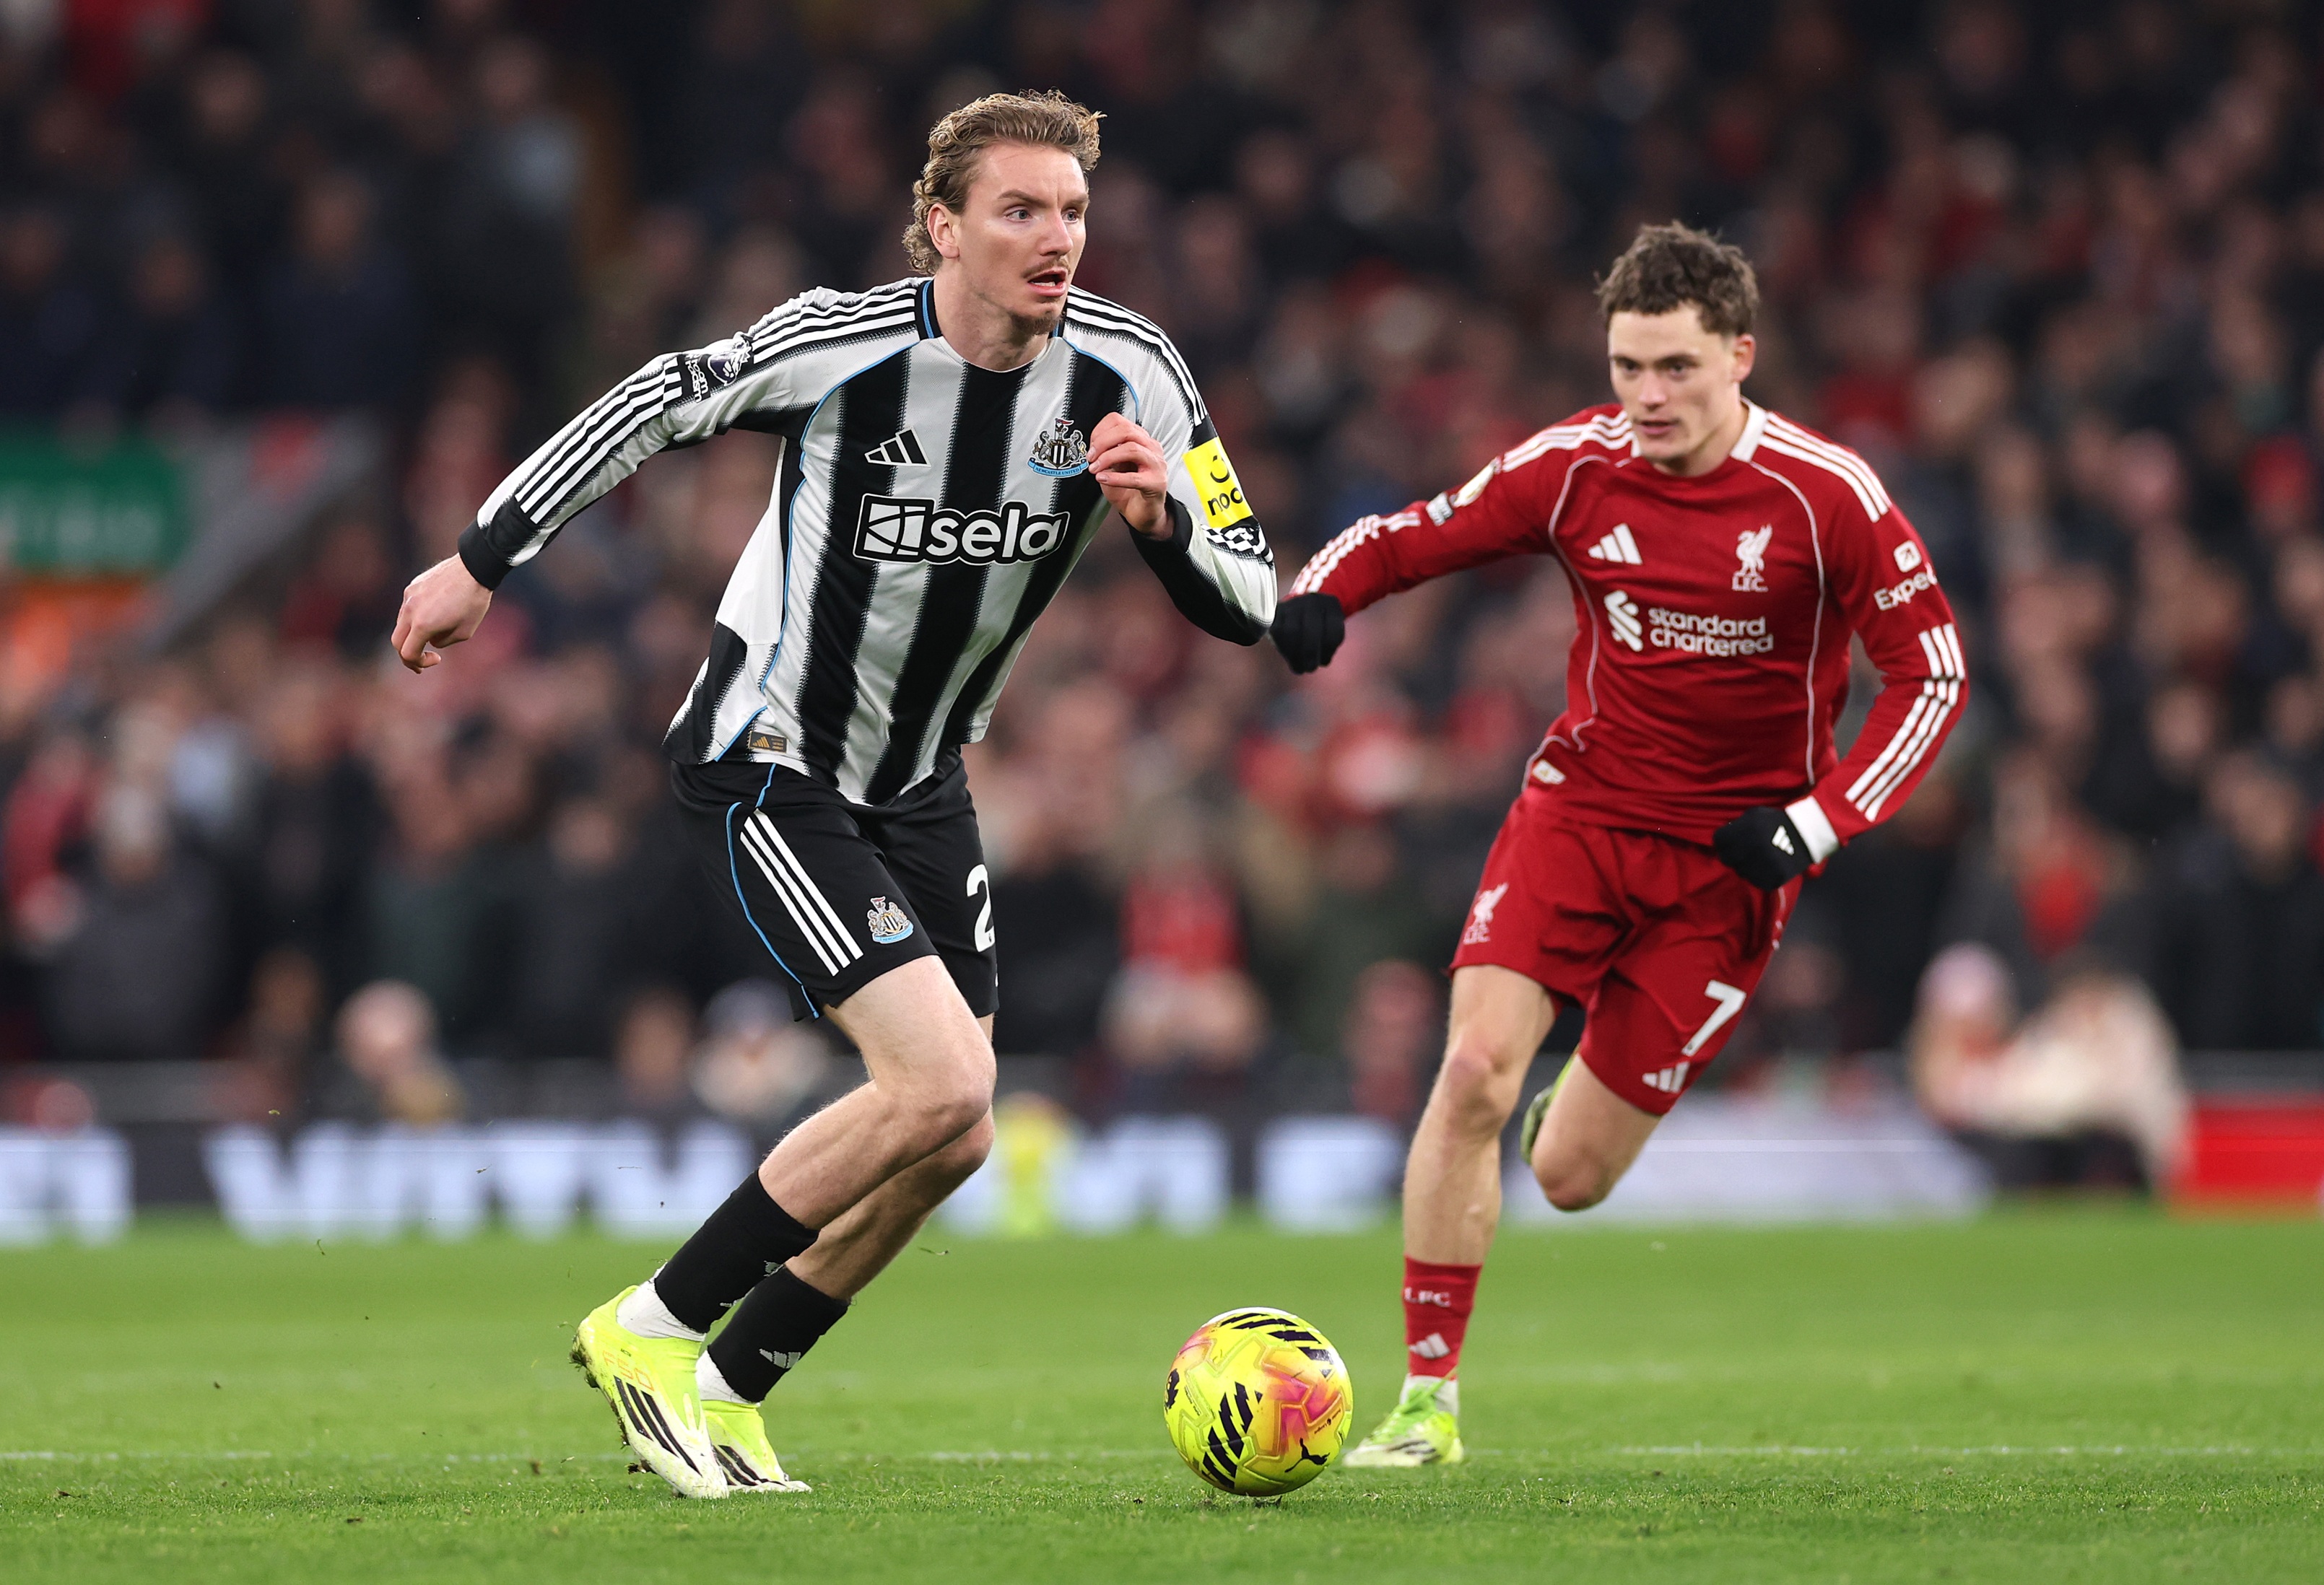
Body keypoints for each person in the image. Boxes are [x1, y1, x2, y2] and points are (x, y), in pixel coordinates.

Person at [388, 91, 1274, 1498]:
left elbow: (1253, 590)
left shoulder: (1135, 371)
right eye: (1019, 211)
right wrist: (482, 558)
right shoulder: (842, 340)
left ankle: (734, 1389)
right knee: (938, 1080)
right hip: (772, 755)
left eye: (1073, 214)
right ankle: (654, 1327)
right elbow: (649, 401)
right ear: (942, 226)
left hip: (920, 782)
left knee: (960, 1131)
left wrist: (1163, 530)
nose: (1057, 240)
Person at [1269, 223, 1967, 1466]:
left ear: (1740, 357)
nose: (1645, 396)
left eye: (1676, 369)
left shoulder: (1827, 499)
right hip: (1580, 817)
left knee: (1576, 1176)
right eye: (1627, 366)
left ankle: (1561, 1114)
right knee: (1473, 1072)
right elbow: (1419, 529)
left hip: (1735, 865)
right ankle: (1428, 1405)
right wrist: (1326, 593)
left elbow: (1932, 679)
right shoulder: (1577, 467)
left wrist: (1814, 824)